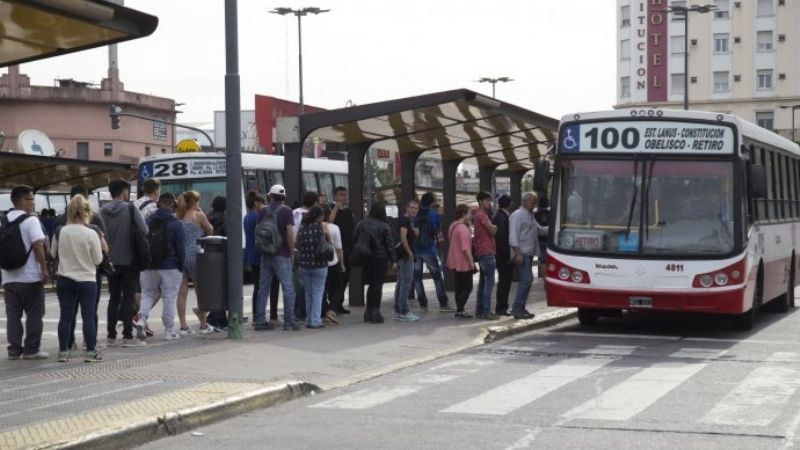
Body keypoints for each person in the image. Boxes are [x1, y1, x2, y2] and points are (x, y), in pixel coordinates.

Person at [52, 195, 105, 362]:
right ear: (87, 212)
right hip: (87, 280)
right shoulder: (91, 233)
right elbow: (98, 259)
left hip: (65, 279)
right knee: (88, 317)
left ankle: (63, 352)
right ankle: (90, 352)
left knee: (65, 316)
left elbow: (53, 253)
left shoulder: (60, 231)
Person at [2, 185, 50, 360]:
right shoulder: (31, 221)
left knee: (13, 315)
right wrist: (44, 270)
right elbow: (38, 245)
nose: (33, 203)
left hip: (8, 277)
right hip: (30, 277)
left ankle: (14, 350)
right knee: (35, 314)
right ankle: (31, 349)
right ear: (22, 201)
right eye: (31, 200)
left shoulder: (2, 220)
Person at [101, 179, 147, 347]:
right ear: (124, 192)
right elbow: (144, 230)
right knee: (128, 298)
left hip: (110, 262)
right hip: (129, 260)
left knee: (113, 298)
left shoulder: (102, 211)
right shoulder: (130, 208)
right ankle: (127, 336)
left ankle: (111, 336)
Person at [136, 192, 185, 341]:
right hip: (170, 265)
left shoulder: (148, 221)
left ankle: (141, 319)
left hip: (149, 265)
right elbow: (180, 249)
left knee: (148, 294)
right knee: (169, 296)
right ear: (174, 205)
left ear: (158, 204)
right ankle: (169, 330)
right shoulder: (176, 224)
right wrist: (180, 267)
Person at [255, 184, 300, 331]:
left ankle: (260, 321)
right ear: (283, 197)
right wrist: (292, 250)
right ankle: (289, 321)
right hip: (282, 254)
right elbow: (289, 233)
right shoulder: (286, 211)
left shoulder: (262, 211)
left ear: (271, 196)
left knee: (263, 288)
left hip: (266, 253)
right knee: (288, 287)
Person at [175, 191, 214, 334]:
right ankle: (203, 325)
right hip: (196, 256)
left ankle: (183, 326)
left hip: (180, 257)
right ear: (195, 202)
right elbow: (210, 230)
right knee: (200, 292)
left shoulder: (177, 216)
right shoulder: (198, 215)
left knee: (182, 293)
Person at [353, 202, 396, 324]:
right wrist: (394, 260)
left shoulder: (362, 223)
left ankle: (368, 312)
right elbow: (390, 245)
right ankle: (375, 312)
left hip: (366, 258)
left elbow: (355, 239)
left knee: (371, 285)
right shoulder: (384, 226)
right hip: (380, 258)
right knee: (377, 285)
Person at [413, 192, 452, 312]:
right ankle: (443, 304)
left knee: (417, 278)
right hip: (429, 249)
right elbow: (437, 229)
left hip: (416, 250)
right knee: (437, 277)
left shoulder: (416, 214)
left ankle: (423, 304)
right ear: (431, 202)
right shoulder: (433, 214)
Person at [509, 192, 544, 320]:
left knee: (527, 280)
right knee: (526, 279)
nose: (534, 205)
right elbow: (513, 236)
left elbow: (539, 229)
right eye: (532, 202)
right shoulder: (517, 215)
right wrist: (517, 253)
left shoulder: (530, 215)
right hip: (521, 252)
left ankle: (521, 307)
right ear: (524, 201)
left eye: (535, 202)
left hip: (529, 252)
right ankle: (517, 308)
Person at [296, 205, 330, 329]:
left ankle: (309, 320)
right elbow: (328, 241)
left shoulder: (302, 227)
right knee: (317, 293)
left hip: (304, 265)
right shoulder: (322, 226)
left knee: (308, 294)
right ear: (319, 216)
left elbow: (296, 244)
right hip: (319, 264)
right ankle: (315, 321)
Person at [291, 191, 319, 322]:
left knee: (297, 283)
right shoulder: (313, 214)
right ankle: (303, 312)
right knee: (307, 286)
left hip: (294, 250)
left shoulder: (294, 212)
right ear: (315, 202)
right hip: (307, 251)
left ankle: (296, 310)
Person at [445, 204, 475, 319]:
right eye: (469, 213)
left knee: (459, 286)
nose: (471, 215)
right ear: (463, 214)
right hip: (463, 262)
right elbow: (466, 248)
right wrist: (471, 262)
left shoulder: (453, 225)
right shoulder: (463, 228)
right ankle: (460, 310)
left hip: (454, 260)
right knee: (468, 287)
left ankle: (459, 309)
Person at [473, 191, 499, 320]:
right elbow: (492, 231)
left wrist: (493, 227)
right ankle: (486, 310)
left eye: (490, 200)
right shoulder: (482, 215)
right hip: (487, 252)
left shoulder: (480, 215)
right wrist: (494, 227)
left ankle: (480, 310)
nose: (490, 203)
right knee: (489, 283)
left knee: (483, 283)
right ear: (481, 202)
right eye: (488, 200)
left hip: (482, 252)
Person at [393, 200, 420, 322]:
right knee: (406, 283)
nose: (414, 210)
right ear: (406, 208)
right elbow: (403, 237)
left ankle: (399, 309)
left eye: (416, 208)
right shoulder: (404, 220)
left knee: (401, 282)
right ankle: (404, 310)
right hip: (405, 256)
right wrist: (409, 253)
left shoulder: (406, 221)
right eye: (412, 208)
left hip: (401, 256)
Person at [329, 186, 354, 314]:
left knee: (345, 279)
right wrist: (336, 208)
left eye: (345, 194)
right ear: (335, 195)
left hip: (348, 250)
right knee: (335, 280)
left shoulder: (348, 211)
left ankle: (339, 303)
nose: (343, 197)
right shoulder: (330, 208)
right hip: (334, 250)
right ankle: (333, 305)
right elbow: (329, 222)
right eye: (340, 194)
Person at [321, 205, 344, 325]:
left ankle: (324, 310)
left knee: (322, 288)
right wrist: (342, 263)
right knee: (337, 287)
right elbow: (339, 248)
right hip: (333, 261)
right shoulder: (335, 228)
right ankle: (332, 310)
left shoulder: (315, 226)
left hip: (319, 262)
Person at [492, 194, 514, 316]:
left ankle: (503, 306)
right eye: (511, 201)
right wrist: (507, 256)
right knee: (504, 282)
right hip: (503, 256)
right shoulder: (501, 217)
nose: (513, 204)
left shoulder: (503, 216)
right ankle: (501, 307)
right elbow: (501, 238)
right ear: (508, 203)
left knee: (505, 282)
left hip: (503, 255)